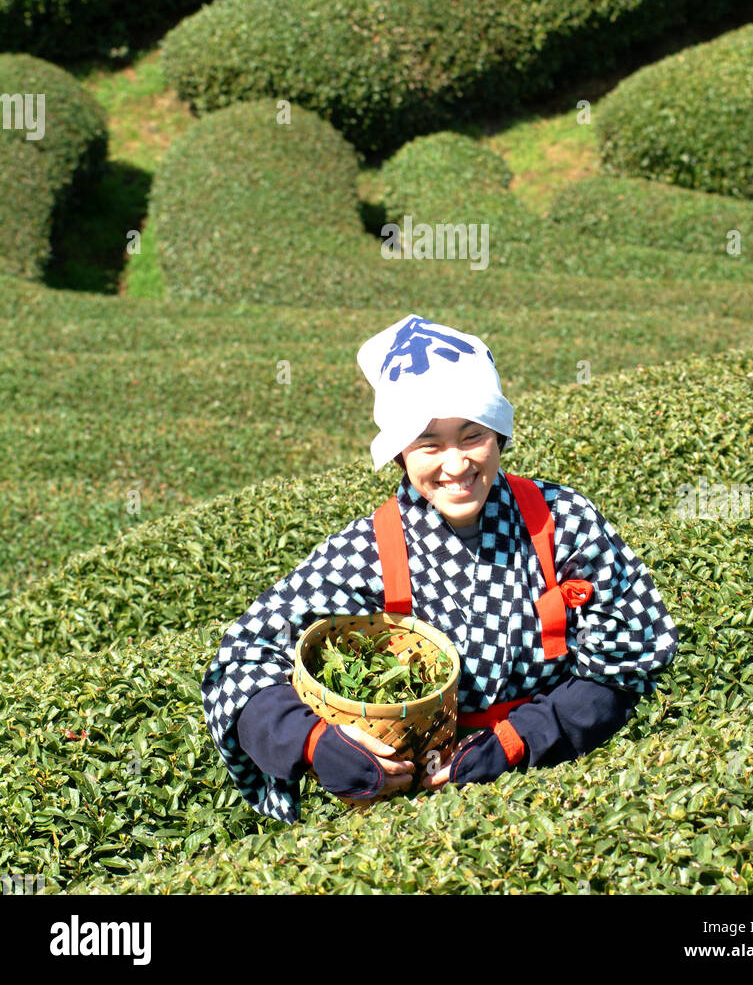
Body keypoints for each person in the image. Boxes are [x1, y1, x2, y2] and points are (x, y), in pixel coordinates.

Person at [201, 313, 679, 825]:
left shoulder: (564, 521)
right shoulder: (370, 550)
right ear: (401, 454)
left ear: (499, 436)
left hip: (561, 784)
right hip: (411, 809)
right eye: (429, 443)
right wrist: (315, 744)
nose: (455, 466)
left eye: (473, 436)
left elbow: (627, 668)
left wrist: (518, 741)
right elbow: (240, 662)